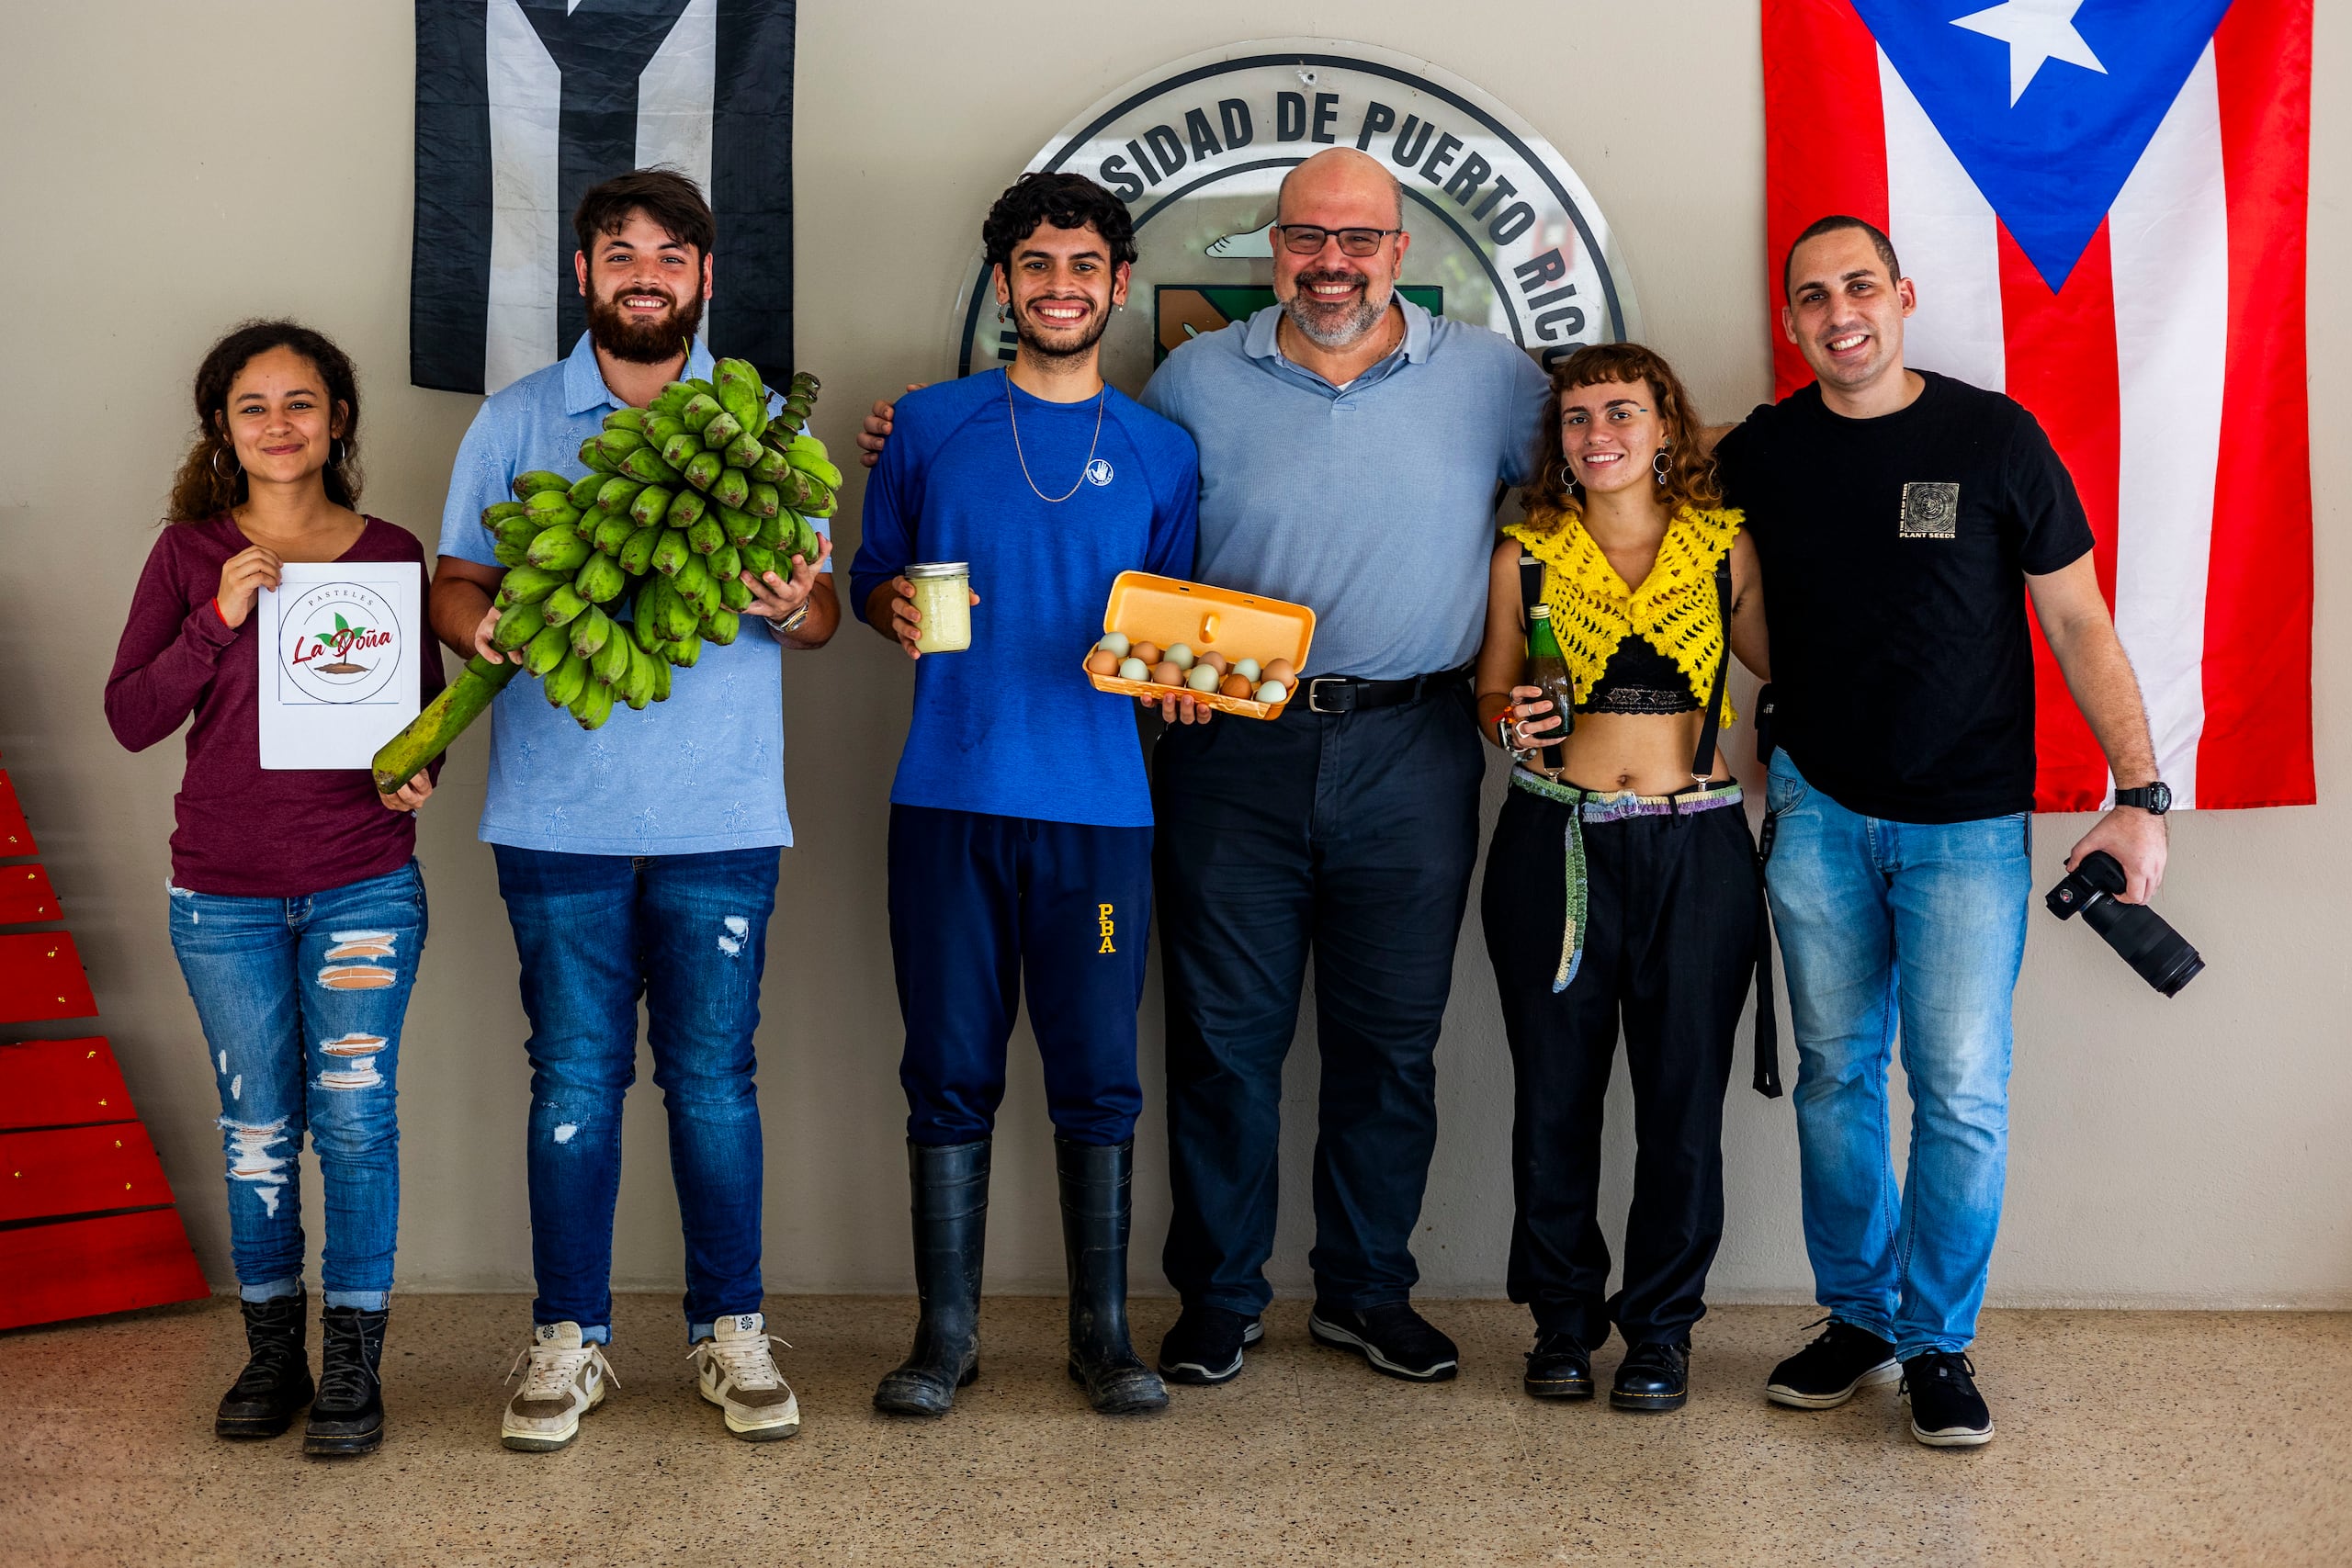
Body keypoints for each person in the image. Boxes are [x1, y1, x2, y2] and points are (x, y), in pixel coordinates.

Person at [861, 147, 1549, 1388]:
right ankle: (1220, 1297)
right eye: (1305, 238)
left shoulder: (1496, 380)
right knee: (1225, 1038)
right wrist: (903, 439)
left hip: (1413, 740)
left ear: (1402, 252)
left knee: (1390, 1039)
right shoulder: (1190, 383)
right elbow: (1102, 516)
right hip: (1230, 742)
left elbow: (1611, 465)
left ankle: (1365, 1290)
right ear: (1273, 250)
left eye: (1359, 240)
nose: (1331, 262)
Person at [1713, 216, 2168, 1448]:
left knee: (1961, 1089)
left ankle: (1937, 1340)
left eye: (1860, 285)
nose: (1839, 311)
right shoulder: (1765, 449)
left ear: (1904, 297)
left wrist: (2140, 791)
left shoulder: (1993, 436)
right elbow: (1658, 494)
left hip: (1969, 824)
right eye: (1813, 296)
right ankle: (1859, 1317)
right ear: (1793, 320)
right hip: (1817, 807)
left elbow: (2077, 621)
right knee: (1835, 1076)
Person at [428, 168, 839, 1452]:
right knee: (575, 1079)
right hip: (556, 815)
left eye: (671, 253)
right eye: (620, 252)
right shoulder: (514, 421)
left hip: (722, 810)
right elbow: (455, 579)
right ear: (583, 274)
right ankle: (570, 1336)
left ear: (707, 279)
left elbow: (822, 615)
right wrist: (476, 621)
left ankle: (732, 1329)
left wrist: (787, 600)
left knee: (715, 1079)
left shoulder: (762, 421)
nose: (645, 271)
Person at [849, 172, 1197, 1417]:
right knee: (947, 1064)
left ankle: (1101, 1332)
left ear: (1118, 283)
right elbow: (871, 576)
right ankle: (944, 1333)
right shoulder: (932, 425)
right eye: (1037, 266)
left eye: (1085, 266)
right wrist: (880, 602)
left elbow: (1174, 633)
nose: (1061, 287)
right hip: (947, 797)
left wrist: (1184, 686)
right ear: (1005, 284)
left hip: (1101, 813)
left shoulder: (1164, 450)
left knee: (1098, 1069)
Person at [107, 321, 441, 1458]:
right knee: (257, 1128)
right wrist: (218, 621)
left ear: (337, 420)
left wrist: (418, 772)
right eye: (255, 407)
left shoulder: (391, 552)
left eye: (303, 403)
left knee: (354, 1124)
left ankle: (354, 1357)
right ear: (223, 428)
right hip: (223, 896)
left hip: (362, 885)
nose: (280, 425)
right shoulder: (187, 555)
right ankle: (272, 1351)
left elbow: (423, 717)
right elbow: (131, 716)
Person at [1473, 342, 1771, 1413]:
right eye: (1576, 419)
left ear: (1664, 427)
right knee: (1554, 1098)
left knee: (1682, 1102)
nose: (1597, 435)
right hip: (1557, 844)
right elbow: (1489, 699)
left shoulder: (1723, 546)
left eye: (1621, 414)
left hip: (1695, 842)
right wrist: (1511, 719)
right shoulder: (1528, 553)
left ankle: (1662, 1330)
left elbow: (1787, 668)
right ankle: (1561, 1321)